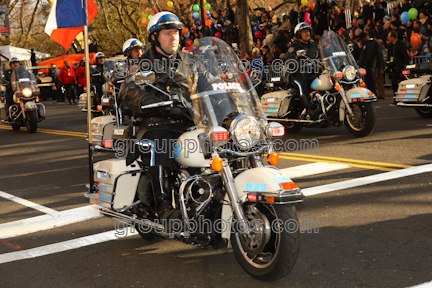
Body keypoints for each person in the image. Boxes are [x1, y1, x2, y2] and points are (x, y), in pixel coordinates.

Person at [119, 11, 214, 220]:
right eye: (167, 33)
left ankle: (209, 198)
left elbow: (210, 86)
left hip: (189, 124)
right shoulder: (142, 63)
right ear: (154, 37)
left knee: (222, 141)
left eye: (176, 33)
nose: (173, 37)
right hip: (156, 125)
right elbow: (127, 90)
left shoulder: (191, 61)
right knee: (160, 144)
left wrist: (227, 100)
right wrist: (147, 101)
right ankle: (164, 208)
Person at [287, 22, 320, 119]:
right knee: (302, 84)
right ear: (298, 34)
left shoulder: (314, 45)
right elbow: (290, 60)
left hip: (313, 73)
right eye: (304, 32)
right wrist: (297, 64)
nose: (307, 34)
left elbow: (322, 56)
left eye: (308, 31)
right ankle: (309, 108)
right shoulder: (293, 47)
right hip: (299, 75)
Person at [387, 30, 409, 94]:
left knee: (402, 84)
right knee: (394, 84)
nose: (388, 38)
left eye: (389, 37)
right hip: (393, 67)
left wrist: (404, 66)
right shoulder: (390, 46)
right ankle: (395, 97)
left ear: (393, 37)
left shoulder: (401, 45)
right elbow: (389, 55)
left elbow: (405, 56)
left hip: (400, 67)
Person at [358, 31, 378, 95]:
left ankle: (372, 93)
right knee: (368, 80)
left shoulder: (369, 45)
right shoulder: (367, 44)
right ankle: (371, 92)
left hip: (368, 65)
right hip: (367, 65)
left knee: (369, 80)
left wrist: (365, 64)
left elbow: (370, 55)